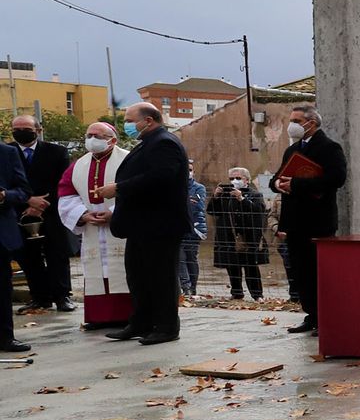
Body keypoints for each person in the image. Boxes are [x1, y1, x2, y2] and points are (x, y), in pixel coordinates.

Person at [96, 102, 189, 345]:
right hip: (142, 225)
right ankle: (141, 322)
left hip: (160, 225)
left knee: (161, 278)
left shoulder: (164, 143)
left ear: (148, 120)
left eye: (129, 119)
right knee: (139, 276)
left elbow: (161, 177)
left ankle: (167, 327)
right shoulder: (148, 143)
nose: (126, 124)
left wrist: (118, 188)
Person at [270, 104, 348, 335]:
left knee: (319, 272)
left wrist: (296, 184)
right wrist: (277, 184)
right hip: (294, 222)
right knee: (301, 272)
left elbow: (336, 178)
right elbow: (278, 177)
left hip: (317, 221)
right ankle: (311, 314)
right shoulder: (292, 149)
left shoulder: (329, 148)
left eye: (295, 120)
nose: (291, 125)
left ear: (310, 123)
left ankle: (326, 317)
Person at [55, 123, 132, 329]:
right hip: (92, 226)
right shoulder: (78, 164)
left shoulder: (129, 159)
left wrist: (114, 213)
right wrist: (83, 214)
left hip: (121, 225)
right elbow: (66, 194)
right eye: (88, 135)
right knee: (98, 270)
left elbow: (136, 190)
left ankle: (130, 316)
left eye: (97, 135)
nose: (91, 139)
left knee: (123, 269)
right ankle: (100, 317)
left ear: (112, 140)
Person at [11, 114, 73, 312]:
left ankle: (62, 296)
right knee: (29, 258)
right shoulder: (6, 152)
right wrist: (27, 200)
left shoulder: (57, 152)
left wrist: (41, 205)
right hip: (18, 212)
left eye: (26, 128)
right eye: (16, 128)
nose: (21, 132)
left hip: (51, 211)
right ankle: (40, 297)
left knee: (57, 254)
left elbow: (63, 182)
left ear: (38, 130)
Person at [208, 167, 269, 300]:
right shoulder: (226, 194)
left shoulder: (255, 194)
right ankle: (236, 293)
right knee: (232, 266)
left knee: (251, 267)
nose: (234, 181)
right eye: (231, 178)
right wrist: (216, 197)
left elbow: (259, 212)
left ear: (246, 179)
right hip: (229, 237)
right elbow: (213, 211)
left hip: (248, 237)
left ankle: (257, 295)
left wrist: (242, 199)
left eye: (238, 178)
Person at [0, 143, 31, 353]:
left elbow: (23, 191)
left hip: (1, 232)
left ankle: (5, 338)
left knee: (1, 288)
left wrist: (4, 196)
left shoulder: (7, 153)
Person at [178, 160, 208, 297]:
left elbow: (198, 206)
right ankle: (186, 287)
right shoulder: (174, 186)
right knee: (180, 258)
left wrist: (181, 201)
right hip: (177, 227)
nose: (188, 172)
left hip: (194, 228)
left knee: (191, 259)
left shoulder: (199, 187)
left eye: (190, 170)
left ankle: (193, 287)